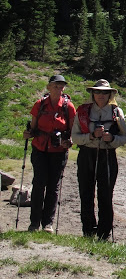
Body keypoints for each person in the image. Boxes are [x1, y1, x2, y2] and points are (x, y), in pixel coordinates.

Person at [71, 79, 126, 240]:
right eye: (97, 92)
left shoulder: (117, 112)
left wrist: (112, 138)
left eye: (104, 92)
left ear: (110, 94)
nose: (101, 95)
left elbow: (124, 137)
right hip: (86, 154)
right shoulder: (83, 111)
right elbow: (74, 137)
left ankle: (104, 233)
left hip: (107, 156)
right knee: (86, 193)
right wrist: (91, 136)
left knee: (106, 195)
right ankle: (88, 230)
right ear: (92, 93)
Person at [23, 75, 77, 233]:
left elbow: (72, 130)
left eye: (61, 87)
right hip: (40, 149)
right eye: (55, 86)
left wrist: (70, 141)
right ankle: (34, 223)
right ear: (48, 87)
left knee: (53, 186)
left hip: (59, 151)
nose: (58, 89)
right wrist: (28, 134)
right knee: (39, 184)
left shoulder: (68, 107)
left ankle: (48, 223)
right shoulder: (40, 104)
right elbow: (33, 128)